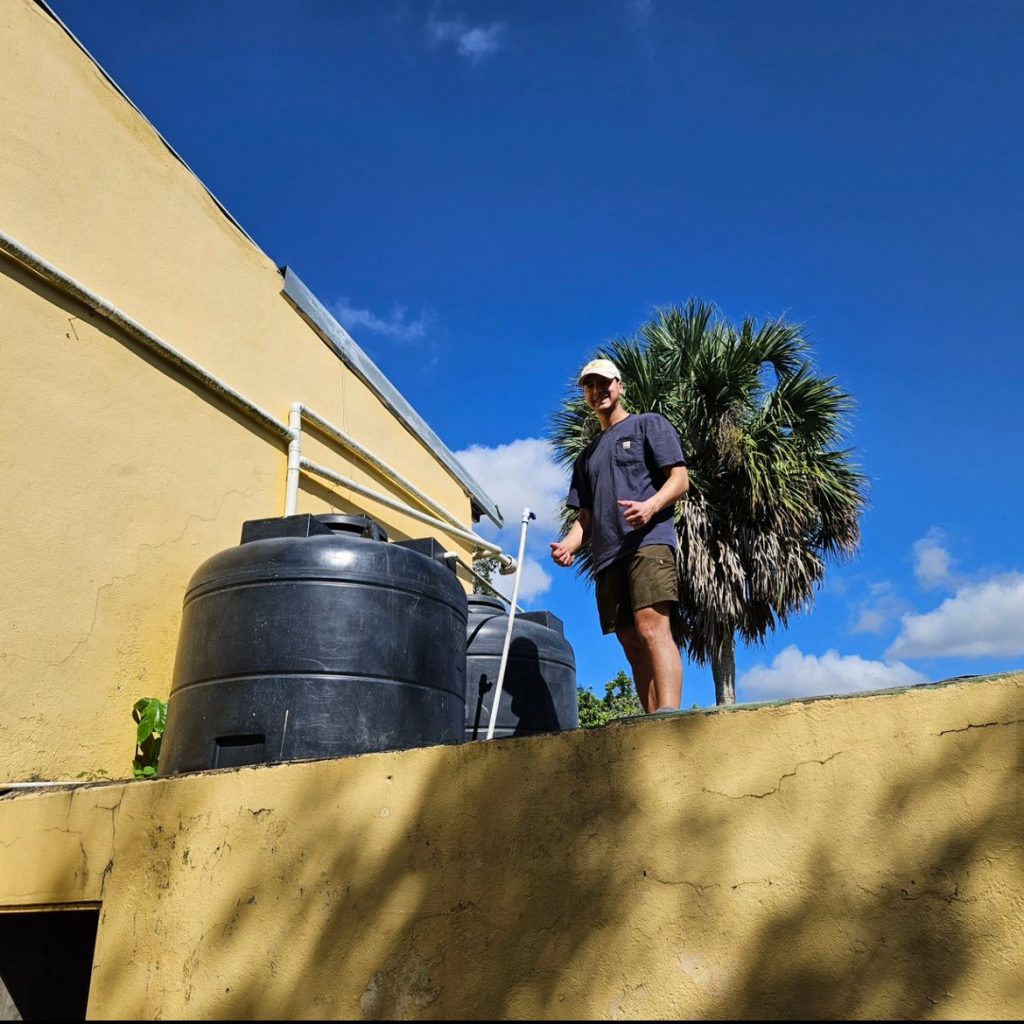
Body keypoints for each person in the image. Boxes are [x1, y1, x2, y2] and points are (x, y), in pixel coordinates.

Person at [550, 358, 689, 713]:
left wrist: (650, 506)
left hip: (648, 541)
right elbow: (586, 517)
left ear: (620, 385)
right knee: (629, 640)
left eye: (604, 383)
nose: (598, 392)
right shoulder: (587, 457)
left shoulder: (648, 425)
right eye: (590, 386)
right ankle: (650, 721)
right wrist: (568, 544)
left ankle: (668, 716)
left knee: (650, 628)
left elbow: (679, 480)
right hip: (608, 556)